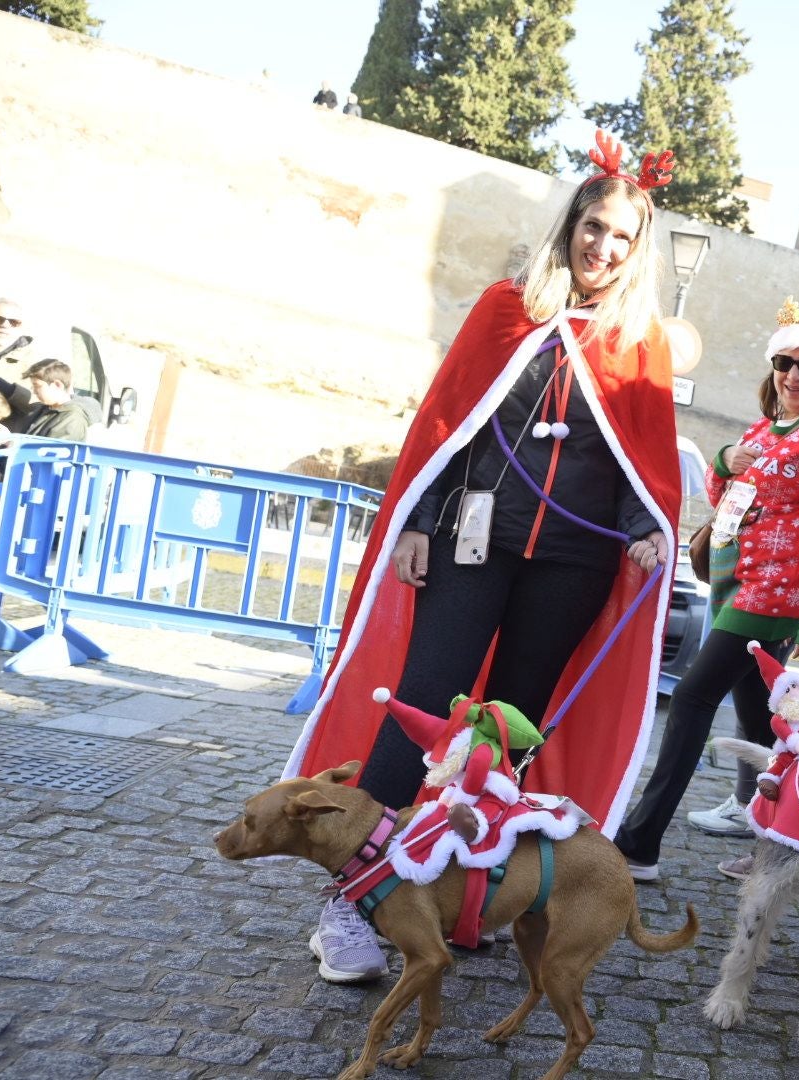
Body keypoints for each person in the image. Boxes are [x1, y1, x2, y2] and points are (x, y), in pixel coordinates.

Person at [282, 131, 682, 983]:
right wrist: (421, 515)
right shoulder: (511, 308)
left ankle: (468, 896)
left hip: (573, 563)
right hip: (473, 540)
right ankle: (351, 904)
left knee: (510, 731)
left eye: (620, 236)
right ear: (570, 223)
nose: (601, 245)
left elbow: (632, 462)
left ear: (638, 250)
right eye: (592, 225)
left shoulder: (638, 342)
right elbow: (447, 426)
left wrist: (648, 526)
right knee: (425, 705)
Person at [616, 297, 799, 881]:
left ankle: (640, 842)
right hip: (734, 583)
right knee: (764, 725)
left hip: (773, 597)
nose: (794, 376)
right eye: (784, 363)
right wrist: (725, 459)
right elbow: (723, 499)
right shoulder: (765, 429)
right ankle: (784, 842)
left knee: (694, 698)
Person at [0, 360, 91, 441]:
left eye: (37, 386)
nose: (34, 391)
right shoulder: (44, 408)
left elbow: (47, 457)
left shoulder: (72, 420)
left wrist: (10, 442)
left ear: (57, 385)